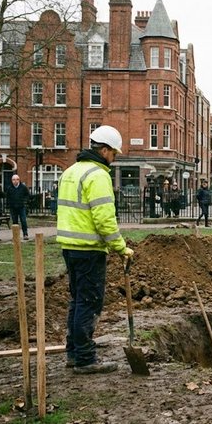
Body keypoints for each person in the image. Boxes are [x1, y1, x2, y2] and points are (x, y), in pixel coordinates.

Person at [57, 125, 134, 375]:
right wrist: (120, 248)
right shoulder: (98, 175)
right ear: (103, 150)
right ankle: (85, 359)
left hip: (70, 247)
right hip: (89, 249)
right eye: (114, 153)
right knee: (89, 303)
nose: (115, 158)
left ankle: (73, 352)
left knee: (77, 301)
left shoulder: (70, 172)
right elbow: (104, 220)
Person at [6, 174, 30, 240]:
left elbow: (27, 195)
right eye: (13, 180)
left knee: (23, 220)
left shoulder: (23, 187)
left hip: (21, 206)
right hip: (13, 207)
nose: (15, 181)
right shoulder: (9, 188)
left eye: (16, 179)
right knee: (14, 221)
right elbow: (7, 196)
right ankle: (15, 235)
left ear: (19, 180)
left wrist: (24, 202)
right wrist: (9, 204)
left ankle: (25, 234)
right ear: (12, 180)